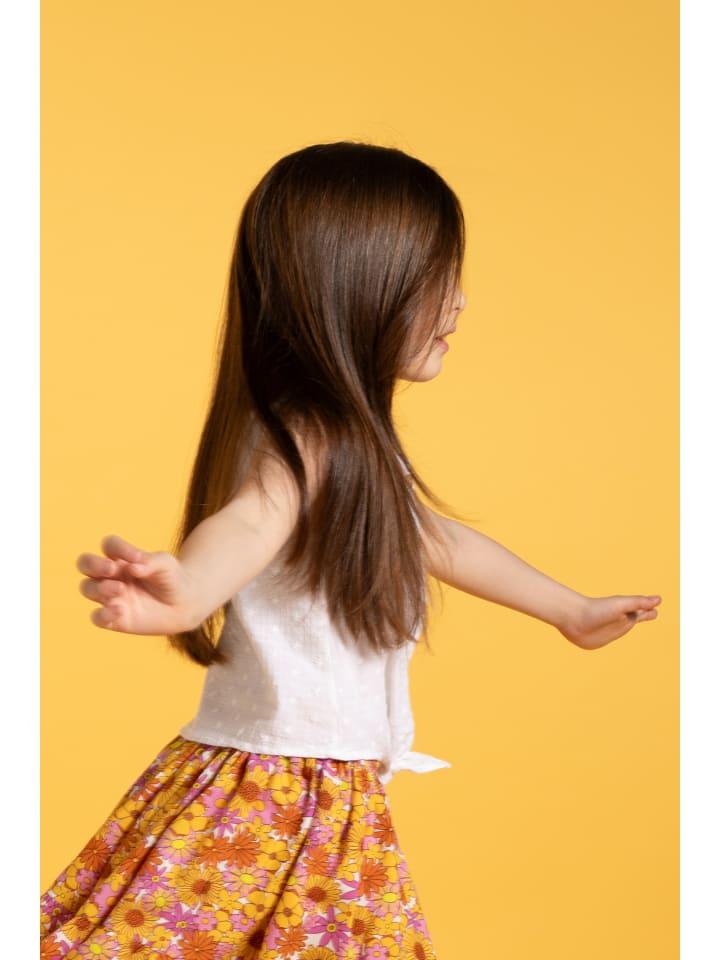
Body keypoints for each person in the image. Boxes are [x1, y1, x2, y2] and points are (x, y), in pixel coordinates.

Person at [40, 141, 662, 960]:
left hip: (301, 787)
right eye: (438, 278)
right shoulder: (309, 434)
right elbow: (254, 519)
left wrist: (569, 610)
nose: (461, 301)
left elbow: (431, 537)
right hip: (282, 796)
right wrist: (190, 590)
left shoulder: (342, 441)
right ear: (359, 287)